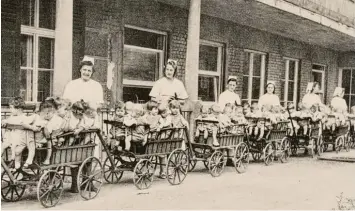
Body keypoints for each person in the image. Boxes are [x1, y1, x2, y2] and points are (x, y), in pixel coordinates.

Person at [62, 56, 103, 193]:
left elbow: (98, 104)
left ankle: (87, 181)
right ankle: (74, 183)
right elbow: (67, 102)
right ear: (80, 70)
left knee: (89, 149)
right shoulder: (72, 84)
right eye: (84, 70)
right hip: (75, 120)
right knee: (74, 150)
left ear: (92, 72)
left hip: (90, 121)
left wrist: (90, 110)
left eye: (89, 70)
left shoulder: (96, 86)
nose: (86, 72)